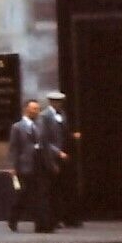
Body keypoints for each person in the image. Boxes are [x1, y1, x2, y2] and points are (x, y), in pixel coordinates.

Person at [7, 99, 54, 233]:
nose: (37, 111)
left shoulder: (41, 125)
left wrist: (50, 163)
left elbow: (46, 145)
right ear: (26, 110)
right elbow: (14, 148)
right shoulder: (17, 127)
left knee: (41, 194)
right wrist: (12, 166)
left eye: (38, 109)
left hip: (40, 163)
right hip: (25, 165)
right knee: (24, 194)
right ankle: (13, 218)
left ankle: (42, 225)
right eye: (34, 109)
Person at [40, 91, 82, 228]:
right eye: (56, 102)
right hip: (53, 157)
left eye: (60, 102)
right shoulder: (44, 116)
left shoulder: (62, 114)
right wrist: (58, 153)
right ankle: (53, 218)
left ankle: (67, 217)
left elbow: (63, 133)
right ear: (51, 102)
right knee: (53, 189)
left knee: (65, 187)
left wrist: (71, 136)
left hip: (65, 155)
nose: (59, 104)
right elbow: (45, 140)